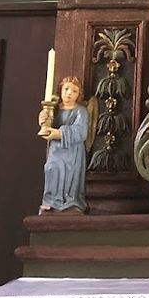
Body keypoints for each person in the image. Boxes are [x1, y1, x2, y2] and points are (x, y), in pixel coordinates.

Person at [39, 77, 93, 214]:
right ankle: (50, 200)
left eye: (74, 91)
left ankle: (71, 202)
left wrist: (59, 133)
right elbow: (48, 125)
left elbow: (81, 132)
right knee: (51, 169)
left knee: (70, 175)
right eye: (66, 89)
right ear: (60, 90)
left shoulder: (81, 111)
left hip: (72, 151)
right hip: (56, 149)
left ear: (78, 95)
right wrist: (44, 120)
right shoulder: (55, 109)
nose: (69, 93)